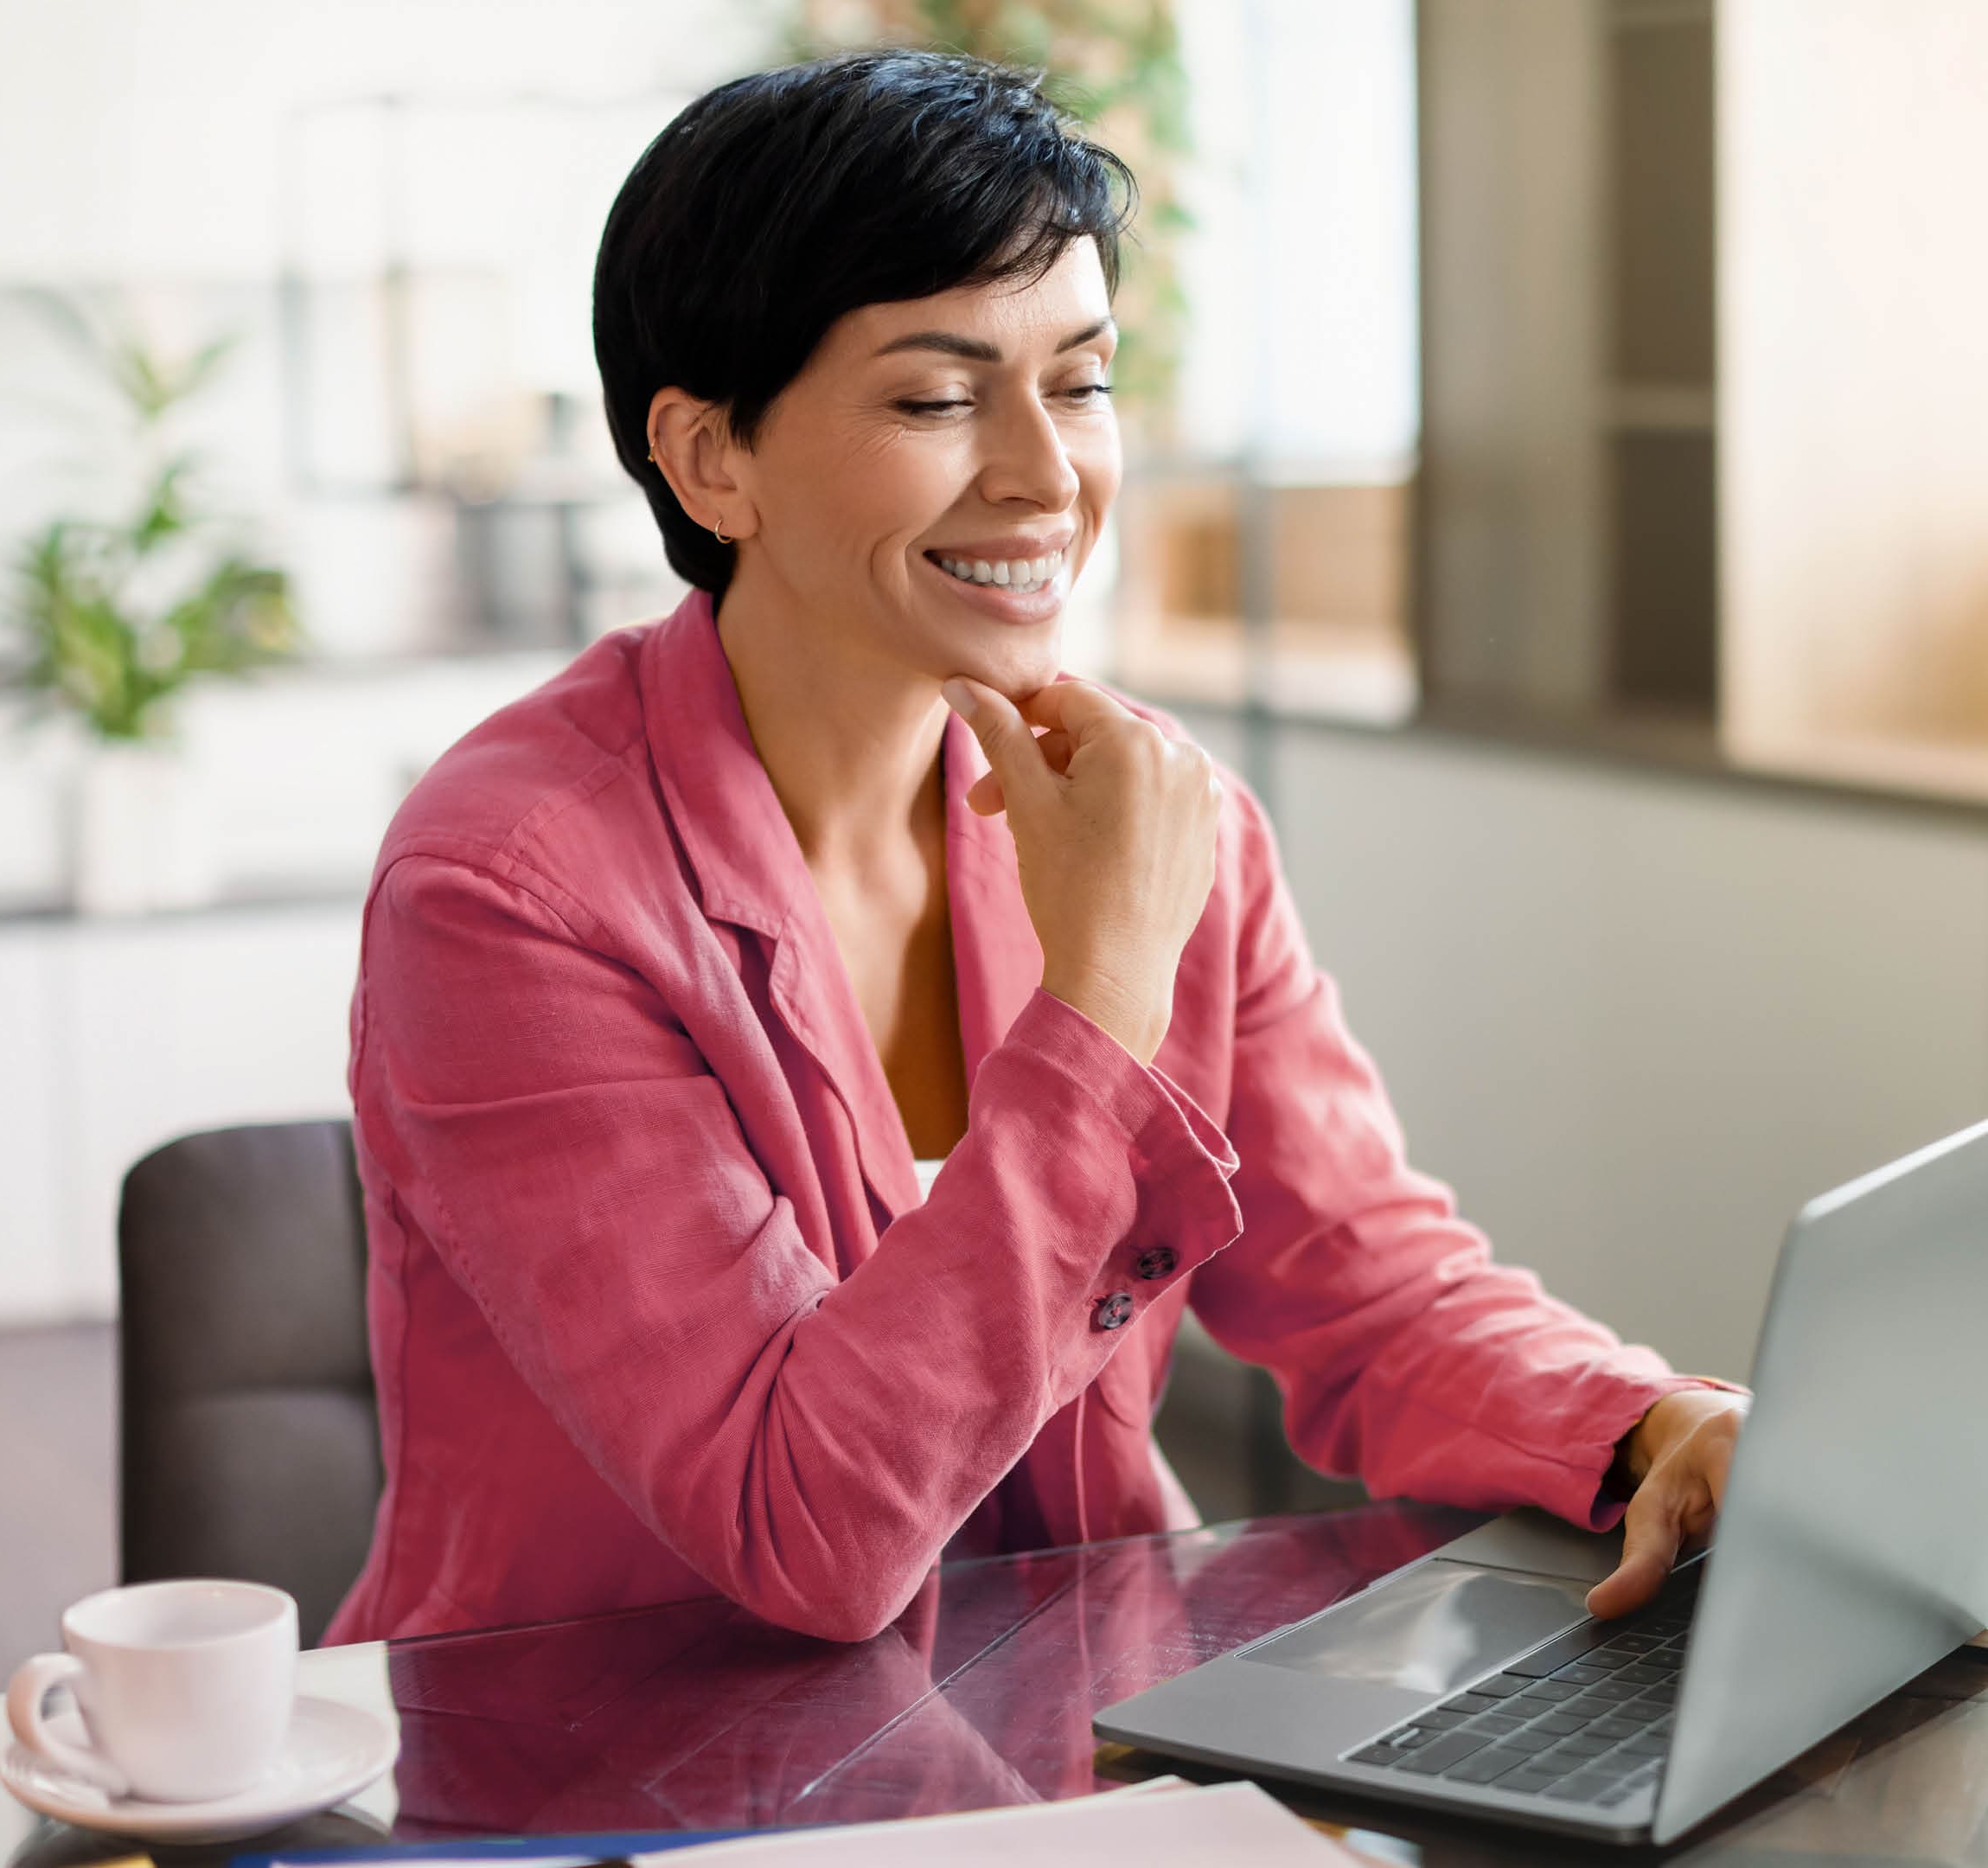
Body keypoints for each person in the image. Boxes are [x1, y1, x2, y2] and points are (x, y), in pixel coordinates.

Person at [323, 49, 1743, 1648]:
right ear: (712, 456)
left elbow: (1368, 1289)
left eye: (1078, 379)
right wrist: (1105, 997)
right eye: (937, 397)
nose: (1048, 473)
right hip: (617, 1763)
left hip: (1064, 1728)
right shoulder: (509, 891)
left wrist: (1644, 1427)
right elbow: (808, 1533)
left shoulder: (1147, 807)